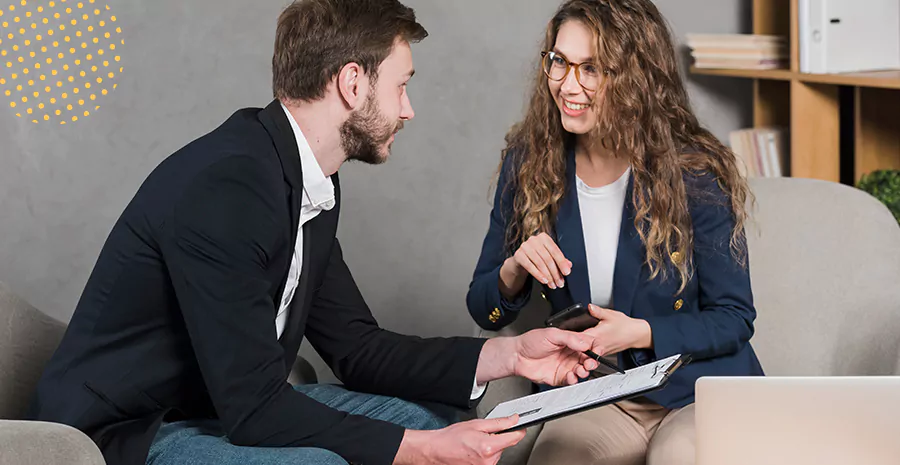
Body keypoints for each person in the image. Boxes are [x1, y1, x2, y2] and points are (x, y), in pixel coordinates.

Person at [26, 1, 607, 465]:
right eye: (402, 85)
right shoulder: (225, 188)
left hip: (220, 407)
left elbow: (356, 348)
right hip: (135, 430)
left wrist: (510, 353)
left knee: (435, 422)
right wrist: (419, 454)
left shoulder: (309, 180)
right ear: (353, 83)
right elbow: (255, 410)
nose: (408, 110)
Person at [466, 1, 765, 464]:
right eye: (559, 61)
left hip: (696, 390)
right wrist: (512, 270)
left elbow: (733, 317)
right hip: (595, 395)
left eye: (592, 69)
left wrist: (641, 332)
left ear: (635, 78)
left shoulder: (696, 172)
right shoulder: (528, 164)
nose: (568, 85)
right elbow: (483, 309)